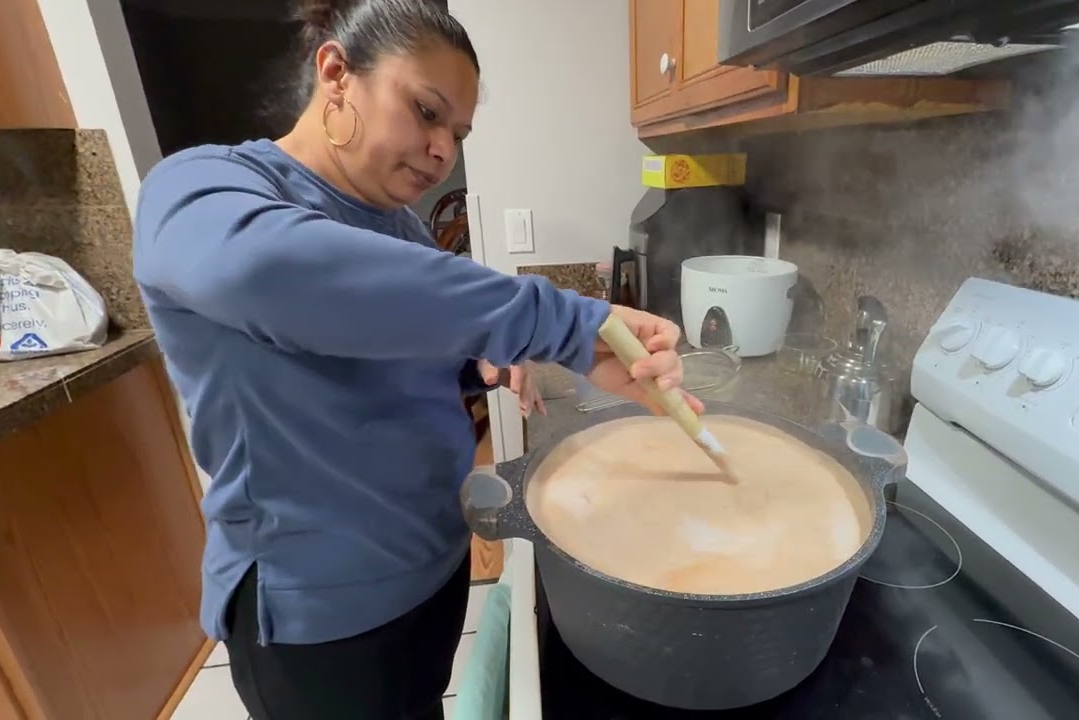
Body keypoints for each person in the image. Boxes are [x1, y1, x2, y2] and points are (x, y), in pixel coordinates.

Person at [131, 1, 701, 718]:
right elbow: (268, 273)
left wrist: (483, 362)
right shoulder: (199, 189)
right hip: (321, 616)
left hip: (431, 572)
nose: (442, 150)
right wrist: (555, 323)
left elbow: (404, 339)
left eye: (457, 133)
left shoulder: (395, 223)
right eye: (426, 112)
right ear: (336, 73)